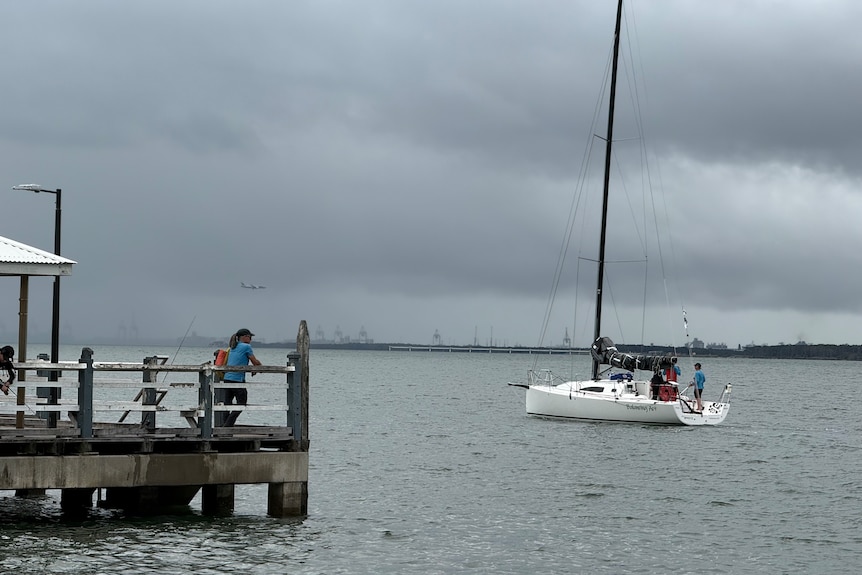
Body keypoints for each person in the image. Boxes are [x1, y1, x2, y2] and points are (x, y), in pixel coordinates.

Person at [222, 328, 262, 427]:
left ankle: (224, 427)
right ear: (244, 337)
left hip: (227, 378)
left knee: (227, 404)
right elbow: (254, 361)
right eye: (250, 337)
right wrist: (260, 366)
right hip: (237, 379)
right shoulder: (246, 346)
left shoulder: (232, 346)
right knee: (241, 404)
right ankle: (227, 426)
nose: (251, 339)